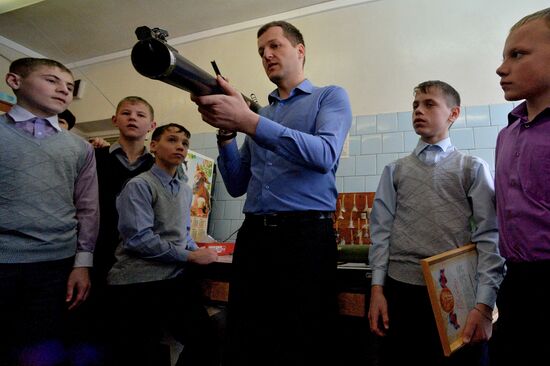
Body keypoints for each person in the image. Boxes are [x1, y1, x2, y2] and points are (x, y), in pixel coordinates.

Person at [191, 20, 352, 366]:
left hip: (305, 237)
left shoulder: (330, 96)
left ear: (300, 50)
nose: (266, 54)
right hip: (255, 239)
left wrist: (248, 121)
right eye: (261, 51)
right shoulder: (261, 114)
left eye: (275, 45)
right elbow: (236, 184)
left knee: (303, 340)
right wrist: (226, 133)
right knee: (247, 338)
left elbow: (324, 154)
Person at [367, 80, 505, 366]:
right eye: (415, 105)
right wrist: (377, 290)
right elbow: (380, 233)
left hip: (456, 292)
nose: (419, 110)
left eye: (429, 104)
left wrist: (484, 302)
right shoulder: (394, 171)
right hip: (400, 291)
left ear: (453, 114)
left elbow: (490, 237)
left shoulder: (472, 168)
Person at [0, 58, 99, 364]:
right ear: (14, 81)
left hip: (55, 264)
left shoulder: (79, 147)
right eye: (52, 80)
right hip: (3, 259)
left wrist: (82, 263)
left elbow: (88, 207)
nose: (63, 90)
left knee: (41, 350)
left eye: (69, 86)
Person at [106, 123, 219, 366]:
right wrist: (190, 257)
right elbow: (139, 239)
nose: (180, 146)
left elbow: (183, 233)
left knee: (206, 340)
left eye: (185, 143)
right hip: (138, 281)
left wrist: (196, 249)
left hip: (172, 278)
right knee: (140, 352)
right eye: (172, 140)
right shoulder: (139, 185)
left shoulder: (185, 190)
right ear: (154, 146)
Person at [491, 8, 550, 366]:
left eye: (517, 55)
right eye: (503, 56)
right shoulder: (506, 135)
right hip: (516, 283)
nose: (501, 68)